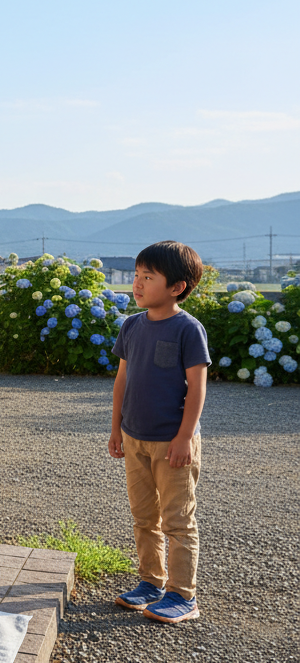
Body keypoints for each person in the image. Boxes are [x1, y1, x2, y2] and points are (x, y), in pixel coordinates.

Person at [108, 240, 210, 624]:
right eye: (136, 276)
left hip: (173, 443)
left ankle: (183, 595)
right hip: (134, 437)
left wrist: (185, 437)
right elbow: (122, 380)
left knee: (178, 520)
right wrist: (116, 427)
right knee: (143, 516)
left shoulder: (188, 329)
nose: (136, 284)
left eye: (147, 277)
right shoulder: (132, 325)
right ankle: (151, 582)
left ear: (176, 287)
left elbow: (198, 386)